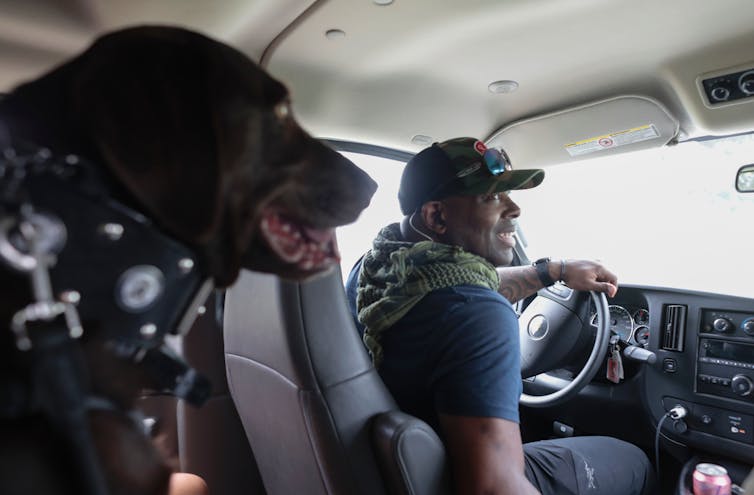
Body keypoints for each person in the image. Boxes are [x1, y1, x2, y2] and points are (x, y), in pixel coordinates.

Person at [345, 137, 655, 495]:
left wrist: (552, 271)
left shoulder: (376, 271)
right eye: (492, 197)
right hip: (453, 476)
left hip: (400, 471)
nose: (515, 208)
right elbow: (494, 487)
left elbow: (470, 282)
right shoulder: (476, 315)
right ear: (436, 215)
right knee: (633, 461)